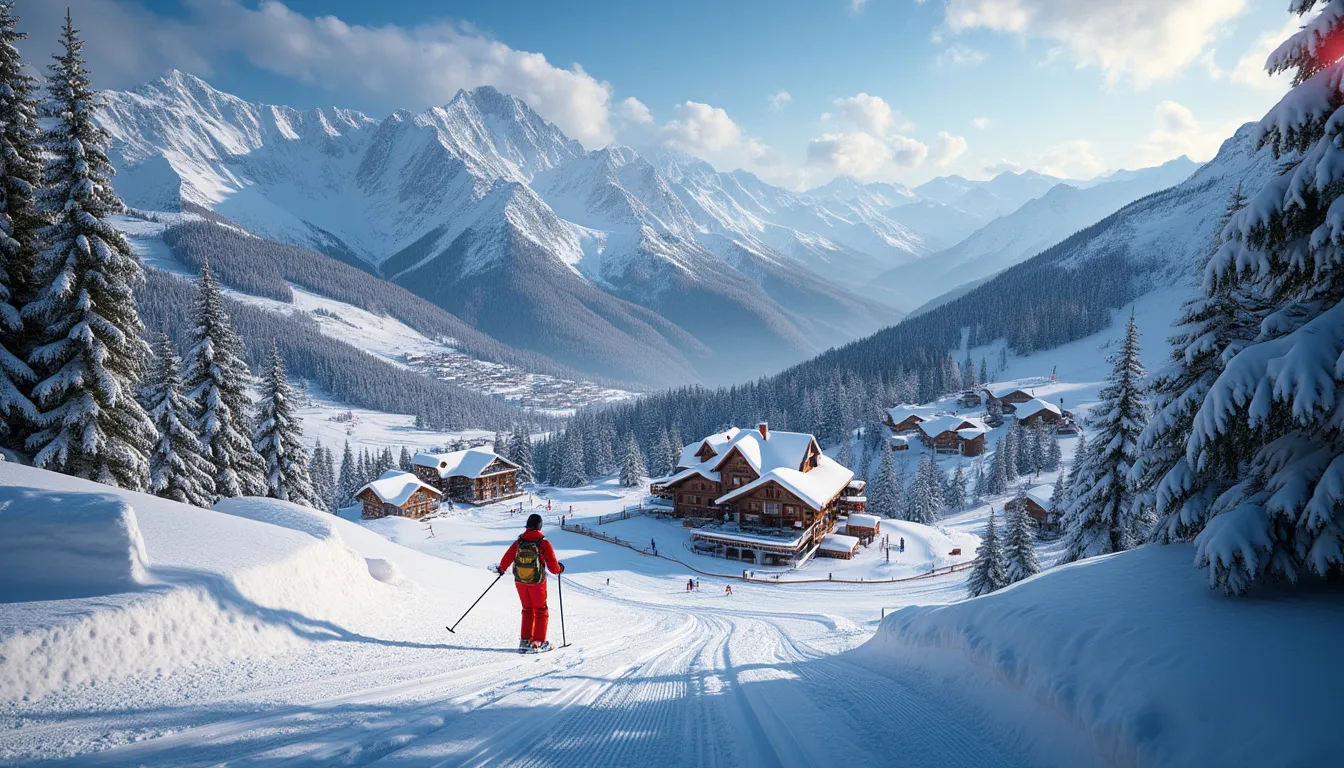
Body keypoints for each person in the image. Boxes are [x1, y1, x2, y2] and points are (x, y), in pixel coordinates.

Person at [493, 513, 564, 653]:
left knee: (527, 609)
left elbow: (507, 557)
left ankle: (525, 641)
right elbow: (553, 568)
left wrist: (501, 569)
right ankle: (538, 643)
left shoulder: (519, 541)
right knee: (540, 610)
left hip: (520, 581)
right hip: (537, 582)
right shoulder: (543, 543)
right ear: (540, 526)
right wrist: (560, 568)